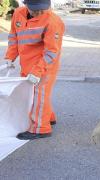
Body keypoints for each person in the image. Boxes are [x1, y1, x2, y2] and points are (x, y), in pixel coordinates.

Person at [3, 0, 65, 140]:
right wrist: (10, 56)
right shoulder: (18, 14)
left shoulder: (53, 22)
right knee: (34, 95)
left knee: (39, 95)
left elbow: (51, 53)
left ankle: (41, 129)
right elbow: (14, 36)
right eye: (34, 9)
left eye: (42, 9)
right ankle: (48, 117)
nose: (39, 12)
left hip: (45, 66)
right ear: (26, 5)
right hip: (27, 64)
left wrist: (38, 71)